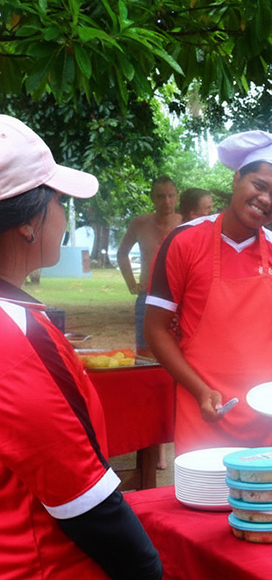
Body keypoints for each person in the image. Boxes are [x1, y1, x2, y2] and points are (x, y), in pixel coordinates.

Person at [0, 115, 162, 579]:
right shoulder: (18, 339)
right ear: (29, 223)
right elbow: (86, 502)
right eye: (59, 202)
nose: (65, 217)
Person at [144, 130, 272, 457]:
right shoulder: (183, 241)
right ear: (237, 178)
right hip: (204, 410)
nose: (266, 200)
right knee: (205, 504)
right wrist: (198, 390)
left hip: (271, 416)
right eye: (259, 185)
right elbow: (155, 328)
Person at [117, 175, 181, 358]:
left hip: (180, 298)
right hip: (148, 295)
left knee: (181, 349)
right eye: (161, 196)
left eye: (171, 195)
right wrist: (131, 284)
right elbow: (122, 253)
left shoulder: (185, 222)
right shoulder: (140, 223)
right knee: (146, 352)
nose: (166, 201)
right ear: (152, 198)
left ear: (177, 197)